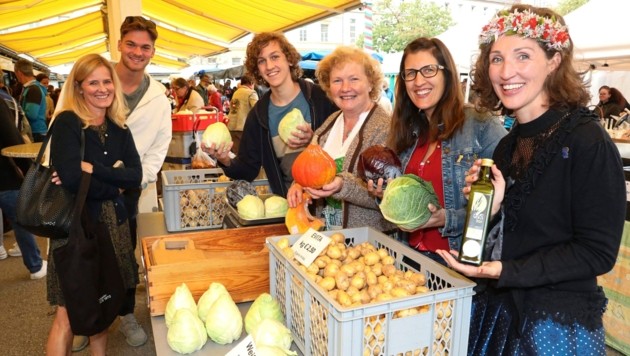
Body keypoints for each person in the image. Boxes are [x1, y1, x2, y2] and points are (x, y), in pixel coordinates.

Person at [436, 5, 626, 355]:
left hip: (557, 327)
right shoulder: (508, 146)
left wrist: (505, 270)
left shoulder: (587, 141)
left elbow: (597, 252)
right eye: (496, 58)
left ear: (553, 60)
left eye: (522, 55)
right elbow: (516, 233)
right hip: (500, 316)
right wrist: (489, 212)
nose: (506, 71)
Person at [71, 15, 172, 352]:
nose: (137, 52)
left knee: (122, 253)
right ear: (119, 43)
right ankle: (87, 318)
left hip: (127, 191)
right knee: (84, 253)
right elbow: (66, 122)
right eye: (131, 44)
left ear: (153, 51)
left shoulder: (158, 95)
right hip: (84, 189)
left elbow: (160, 145)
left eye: (145, 46)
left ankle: (126, 313)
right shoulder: (96, 78)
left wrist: (139, 179)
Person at [369, 37, 506, 263]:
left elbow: (502, 206)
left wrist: (447, 218)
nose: (418, 81)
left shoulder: (481, 125)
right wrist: (386, 195)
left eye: (429, 70)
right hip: (409, 260)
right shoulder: (408, 131)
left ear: (447, 74)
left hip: (457, 264)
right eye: (410, 73)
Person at [46, 53, 142, 356]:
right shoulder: (68, 123)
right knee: (67, 314)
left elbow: (136, 175)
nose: (102, 88)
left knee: (104, 306)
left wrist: (95, 170)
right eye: (93, 82)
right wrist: (115, 182)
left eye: (106, 81)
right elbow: (73, 180)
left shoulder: (119, 127)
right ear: (79, 87)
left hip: (114, 228)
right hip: (76, 228)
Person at [202, 32, 337, 197]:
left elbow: (346, 144)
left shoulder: (321, 98)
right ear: (257, 69)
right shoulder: (258, 116)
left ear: (289, 59)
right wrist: (225, 159)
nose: (269, 66)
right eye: (261, 61)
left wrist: (315, 140)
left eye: (275, 57)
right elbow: (247, 171)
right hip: (292, 204)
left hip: (332, 199)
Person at [287, 46, 393, 231]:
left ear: (370, 83)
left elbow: (388, 197)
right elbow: (310, 169)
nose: (345, 88)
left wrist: (342, 186)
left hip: (367, 246)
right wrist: (299, 185)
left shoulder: (384, 129)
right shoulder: (330, 123)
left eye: (354, 79)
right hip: (327, 242)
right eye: (337, 80)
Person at [0, 90, 47, 279]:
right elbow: (11, 136)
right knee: (21, 217)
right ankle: (35, 265)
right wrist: (28, 170)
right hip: (4, 174)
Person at [14, 58, 47, 142]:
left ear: (19, 73)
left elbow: (32, 114)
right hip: (38, 131)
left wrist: (16, 111)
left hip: (36, 132)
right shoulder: (34, 87)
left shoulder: (33, 89)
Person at [227, 74, 259, 154]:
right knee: (245, 154)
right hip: (243, 128)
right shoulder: (251, 93)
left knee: (236, 154)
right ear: (251, 83)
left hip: (231, 127)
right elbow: (258, 109)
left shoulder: (236, 92)